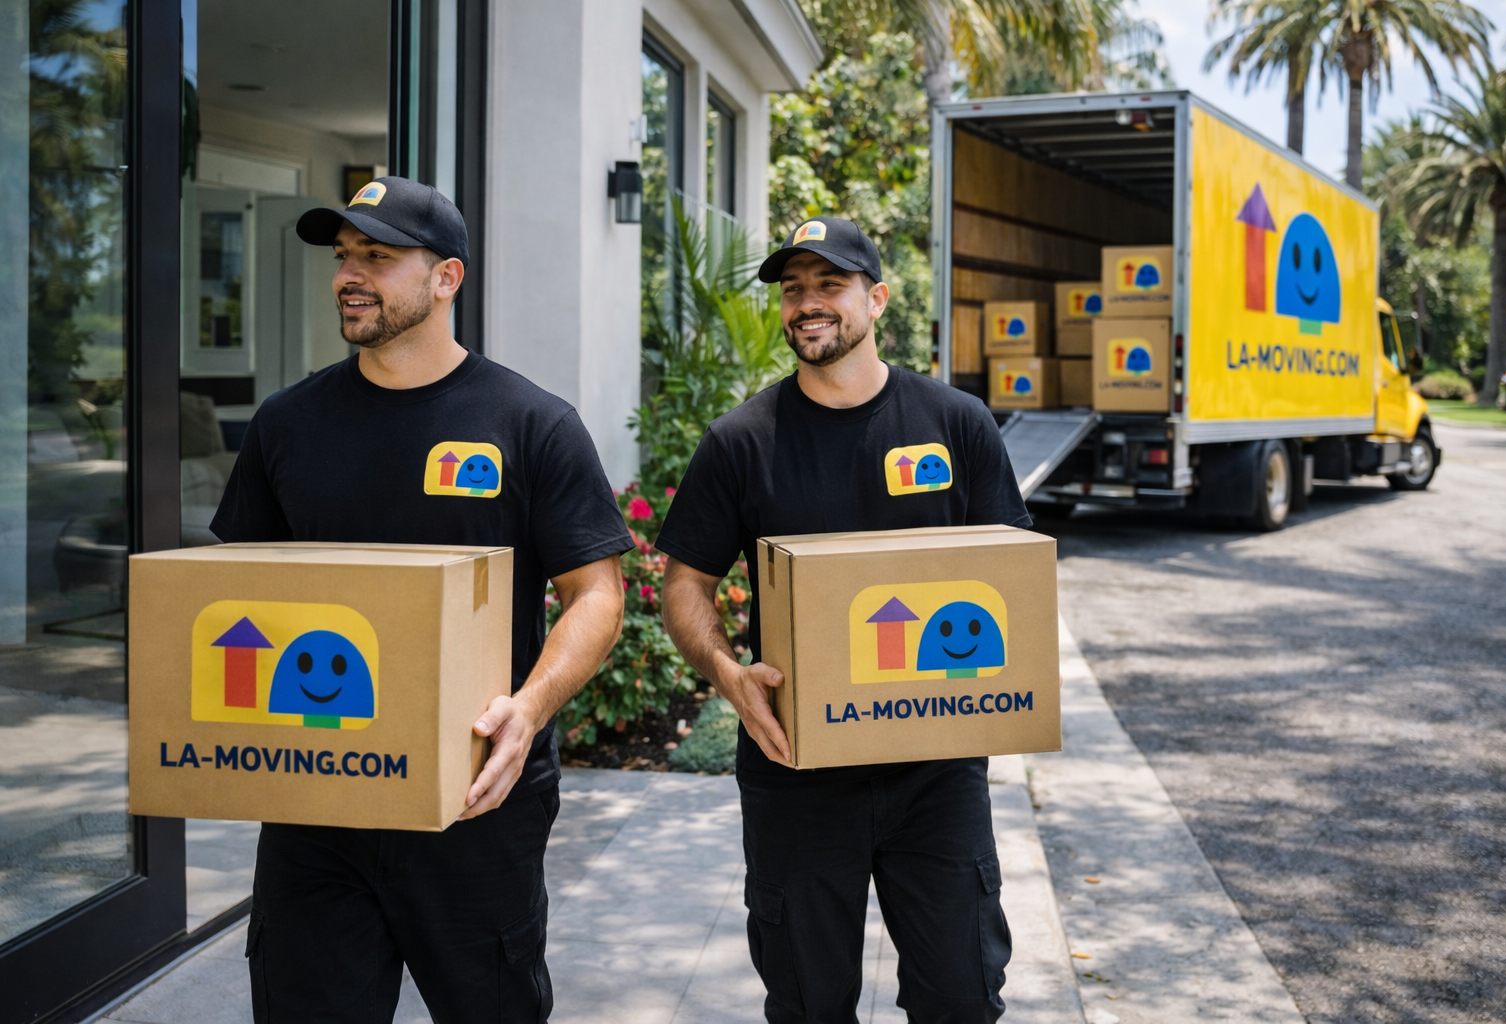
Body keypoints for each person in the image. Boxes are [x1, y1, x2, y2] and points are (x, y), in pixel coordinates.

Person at [211, 176, 630, 1023]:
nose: (349, 275)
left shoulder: (529, 423)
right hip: (319, 790)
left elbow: (596, 593)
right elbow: (243, 594)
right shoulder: (287, 424)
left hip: (476, 797)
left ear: (447, 279)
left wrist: (530, 707)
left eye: (378, 256)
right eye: (342, 258)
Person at [656, 217, 1031, 1023]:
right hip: (797, 768)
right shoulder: (741, 442)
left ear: (877, 299)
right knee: (806, 1002)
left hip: (936, 768)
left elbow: (1012, 580)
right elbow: (683, 584)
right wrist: (728, 674)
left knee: (962, 996)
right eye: (793, 289)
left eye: (829, 284)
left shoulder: (956, 423)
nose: (807, 304)